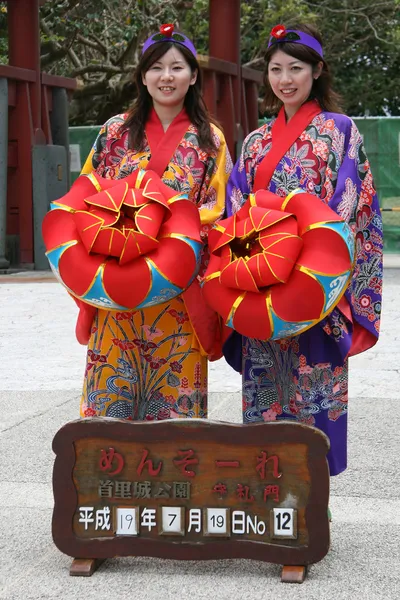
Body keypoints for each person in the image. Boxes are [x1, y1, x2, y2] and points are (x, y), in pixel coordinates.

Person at [224, 22, 383, 475]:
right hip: (261, 286)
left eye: (295, 68)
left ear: (317, 71)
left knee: (314, 389)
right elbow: (236, 211)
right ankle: (266, 494)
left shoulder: (340, 131)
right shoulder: (255, 141)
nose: (284, 79)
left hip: (315, 287)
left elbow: (350, 206)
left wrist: (307, 263)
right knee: (264, 394)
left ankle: (313, 498)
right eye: (275, 69)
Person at [77, 24, 232, 421]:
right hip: (119, 284)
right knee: (109, 413)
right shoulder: (113, 133)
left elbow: (217, 213)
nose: (166, 76)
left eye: (177, 67)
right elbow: (87, 197)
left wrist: (167, 243)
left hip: (177, 290)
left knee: (175, 419)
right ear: (142, 76)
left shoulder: (209, 140)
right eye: (156, 67)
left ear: (193, 75)